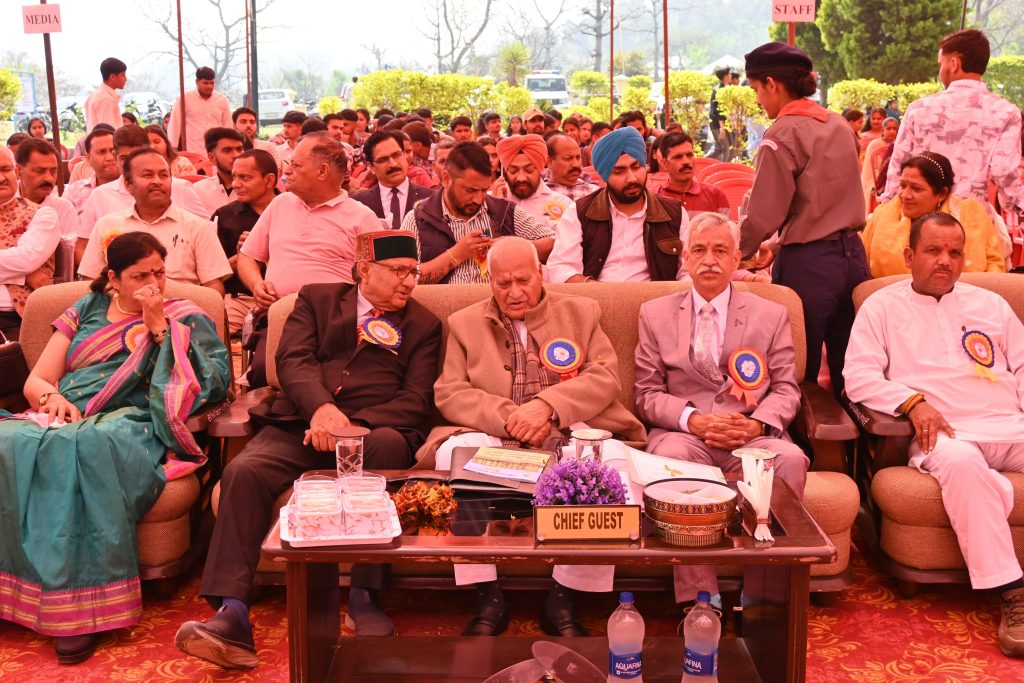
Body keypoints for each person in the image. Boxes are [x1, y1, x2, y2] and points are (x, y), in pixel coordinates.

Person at [176, 231, 441, 667]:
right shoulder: (317, 299)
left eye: (414, 273)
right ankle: (232, 612)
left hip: (371, 433)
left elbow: (416, 400)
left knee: (390, 447)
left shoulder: (423, 324)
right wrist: (321, 409)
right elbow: (292, 360)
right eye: (399, 271)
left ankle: (365, 595)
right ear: (364, 269)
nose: (409, 282)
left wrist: (350, 427)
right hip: (300, 423)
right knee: (243, 471)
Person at [0, 231, 229, 664]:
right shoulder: (85, 308)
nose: (154, 284)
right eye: (140, 276)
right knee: (10, 439)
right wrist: (52, 399)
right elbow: (38, 379)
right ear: (113, 278)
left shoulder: (184, 315)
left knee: (86, 444)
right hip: (66, 411)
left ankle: (82, 611)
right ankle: (17, 590)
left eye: (159, 272)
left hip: (135, 419)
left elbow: (212, 383)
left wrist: (159, 328)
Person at [424, 236, 645, 637]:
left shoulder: (582, 311)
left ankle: (565, 595)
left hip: (570, 431)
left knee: (612, 466)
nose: (514, 292)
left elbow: (604, 377)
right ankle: (486, 593)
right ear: (488, 281)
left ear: (541, 274)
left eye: (523, 281)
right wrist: (513, 417)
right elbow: (450, 392)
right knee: (453, 454)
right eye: (503, 283)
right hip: (496, 434)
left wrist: (547, 406)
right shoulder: (464, 323)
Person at [844, 213, 1024, 658]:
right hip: (946, 434)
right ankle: (1013, 592)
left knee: (979, 475)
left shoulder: (991, 305)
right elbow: (858, 377)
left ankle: (991, 501)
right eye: (934, 250)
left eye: (955, 252)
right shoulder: (881, 307)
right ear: (910, 256)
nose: (945, 260)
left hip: (1010, 425)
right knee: (962, 463)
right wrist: (912, 402)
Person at [634, 212, 807, 606]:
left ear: (736, 259)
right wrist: (692, 420)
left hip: (750, 437)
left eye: (719, 250)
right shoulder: (654, 314)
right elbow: (646, 393)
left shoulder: (771, 314)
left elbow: (785, 388)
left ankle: (764, 597)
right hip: (686, 436)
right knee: (672, 459)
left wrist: (757, 426)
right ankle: (701, 600)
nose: (709, 260)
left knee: (790, 459)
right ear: (685, 259)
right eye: (699, 250)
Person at [737, 42, 869, 394]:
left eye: (756, 89)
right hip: (854, 257)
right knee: (854, 370)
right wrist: (779, 244)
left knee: (798, 370)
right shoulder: (839, 124)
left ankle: (805, 432)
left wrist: (738, 250)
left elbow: (763, 212)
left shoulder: (781, 134)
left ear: (771, 83)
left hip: (809, 266)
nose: (757, 100)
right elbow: (827, 200)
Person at [238, 134, 381, 384]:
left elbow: (379, 279)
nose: (287, 171)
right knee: (264, 372)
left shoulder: (362, 218)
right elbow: (248, 257)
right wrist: (256, 284)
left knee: (324, 377)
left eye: (295, 165)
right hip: (279, 316)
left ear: (322, 171)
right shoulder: (281, 204)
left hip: (334, 324)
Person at [881, 29, 1024, 215]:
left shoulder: (919, 109)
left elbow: (900, 169)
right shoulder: (1006, 113)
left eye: (941, 64)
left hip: (924, 220)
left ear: (954, 63)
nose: (940, 71)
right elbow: (1003, 172)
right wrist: (1019, 206)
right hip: (974, 220)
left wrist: (888, 208)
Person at [546, 126, 687, 283]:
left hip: (660, 297)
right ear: (605, 176)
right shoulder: (579, 213)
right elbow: (561, 268)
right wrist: (596, 290)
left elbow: (688, 272)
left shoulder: (675, 213)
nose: (632, 178)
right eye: (619, 171)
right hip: (595, 296)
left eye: (636, 167)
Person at [78, 149, 231, 294]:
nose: (157, 181)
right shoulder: (107, 225)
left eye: (164, 175)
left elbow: (214, 286)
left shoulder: (197, 227)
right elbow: (90, 281)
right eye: (148, 175)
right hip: (119, 309)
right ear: (128, 185)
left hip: (180, 309)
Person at [401, 141, 555, 284]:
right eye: (470, 190)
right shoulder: (418, 218)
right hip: (441, 305)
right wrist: (456, 255)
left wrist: (511, 246)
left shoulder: (503, 211)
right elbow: (404, 275)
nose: (478, 199)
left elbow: (554, 243)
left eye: (484, 190)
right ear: (446, 179)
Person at [76, 125, 209, 264]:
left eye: (137, 157)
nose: (131, 164)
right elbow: (82, 248)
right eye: (124, 158)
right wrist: (106, 276)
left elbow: (206, 235)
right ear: (115, 157)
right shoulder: (100, 195)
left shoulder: (180, 188)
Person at [863, 152, 1006, 277]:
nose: (905, 195)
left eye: (916, 188)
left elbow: (995, 266)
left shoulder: (969, 214)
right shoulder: (883, 215)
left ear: (942, 193)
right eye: (903, 185)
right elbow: (863, 267)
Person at [212, 149, 279, 335]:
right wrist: (242, 254)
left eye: (245, 178)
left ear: (269, 180)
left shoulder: (292, 209)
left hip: (284, 297)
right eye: (234, 177)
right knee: (216, 332)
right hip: (239, 300)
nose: (235, 184)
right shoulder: (224, 216)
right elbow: (212, 278)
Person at [0, 146, 59, 338]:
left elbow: (27, 260)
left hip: (15, 319)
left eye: (5, 169)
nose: (1, 178)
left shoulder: (42, 215)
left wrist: (23, 270)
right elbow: (24, 266)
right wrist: (24, 276)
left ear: (16, 171)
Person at [491, 134, 572, 234]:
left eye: (529, 170)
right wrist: (495, 207)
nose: (521, 178)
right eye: (513, 171)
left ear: (540, 169)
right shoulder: (489, 202)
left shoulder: (563, 204)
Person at [352, 131, 434, 228]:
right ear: (371, 167)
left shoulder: (431, 198)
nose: (393, 164)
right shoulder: (359, 203)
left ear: (405, 155)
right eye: (383, 160)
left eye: (397, 155)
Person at [15, 137, 79, 240]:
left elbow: (70, 248)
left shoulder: (63, 209)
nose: (49, 178)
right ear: (18, 172)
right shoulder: (4, 202)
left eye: (53, 171)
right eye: (40, 171)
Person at [656, 132, 731, 218]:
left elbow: (725, 226)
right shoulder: (654, 199)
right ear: (664, 164)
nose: (686, 161)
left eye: (689, 155)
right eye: (678, 157)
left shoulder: (715, 195)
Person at [166, 67, 233, 155]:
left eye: (212, 83)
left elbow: (228, 126)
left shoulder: (222, 100)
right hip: (193, 151)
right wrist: (172, 148)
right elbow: (175, 124)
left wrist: (229, 147)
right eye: (205, 83)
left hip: (217, 151)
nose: (209, 86)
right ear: (197, 82)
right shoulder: (184, 99)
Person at [64, 127, 119, 214]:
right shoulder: (74, 192)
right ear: (89, 158)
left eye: (113, 151)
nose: (110, 157)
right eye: (101, 152)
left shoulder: (134, 189)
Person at [193, 128, 247, 214]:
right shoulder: (198, 191)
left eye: (239, 149)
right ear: (212, 158)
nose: (236, 155)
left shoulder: (257, 187)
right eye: (227, 150)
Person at [861, 117, 900, 213]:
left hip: (893, 184)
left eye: (894, 128)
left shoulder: (899, 145)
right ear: (883, 130)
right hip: (876, 182)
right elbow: (868, 168)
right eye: (888, 128)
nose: (892, 131)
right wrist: (872, 185)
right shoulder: (874, 144)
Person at [544, 134, 599, 200]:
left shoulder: (594, 192)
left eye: (578, 157)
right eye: (568, 158)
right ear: (550, 162)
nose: (576, 164)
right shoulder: (540, 192)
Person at [84, 57, 127, 132]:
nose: (126, 79)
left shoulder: (96, 95)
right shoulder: (106, 98)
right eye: (123, 75)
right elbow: (108, 131)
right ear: (112, 77)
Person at [709, 67, 733, 161]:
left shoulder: (723, 88)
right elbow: (718, 111)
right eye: (729, 74)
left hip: (722, 124)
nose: (731, 76)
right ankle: (725, 168)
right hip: (718, 124)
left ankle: (702, 162)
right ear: (725, 77)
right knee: (727, 149)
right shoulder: (719, 90)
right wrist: (722, 128)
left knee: (720, 149)